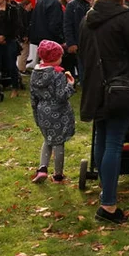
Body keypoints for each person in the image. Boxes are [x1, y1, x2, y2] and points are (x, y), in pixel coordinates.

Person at [78, 0, 129, 225]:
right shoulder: (124, 16)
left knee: (101, 137)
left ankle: (105, 192)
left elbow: (83, 56)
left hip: (95, 87)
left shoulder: (87, 19)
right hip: (118, 86)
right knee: (114, 142)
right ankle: (108, 204)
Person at [30, 39, 76, 184]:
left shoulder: (35, 73)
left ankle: (42, 169)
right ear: (56, 58)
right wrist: (70, 85)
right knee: (58, 143)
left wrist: (36, 115)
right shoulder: (57, 74)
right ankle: (58, 175)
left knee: (47, 139)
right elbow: (61, 96)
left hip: (42, 110)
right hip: (58, 112)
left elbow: (33, 97)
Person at [63, 0, 95, 81]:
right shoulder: (73, 5)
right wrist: (71, 43)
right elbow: (67, 25)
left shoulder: (96, 3)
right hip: (80, 42)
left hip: (95, 41)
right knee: (83, 69)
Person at [29, 0, 65, 68]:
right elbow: (55, 23)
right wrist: (61, 38)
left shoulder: (40, 1)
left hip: (39, 38)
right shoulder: (55, 3)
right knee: (52, 62)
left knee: (43, 61)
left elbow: (34, 19)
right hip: (51, 39)